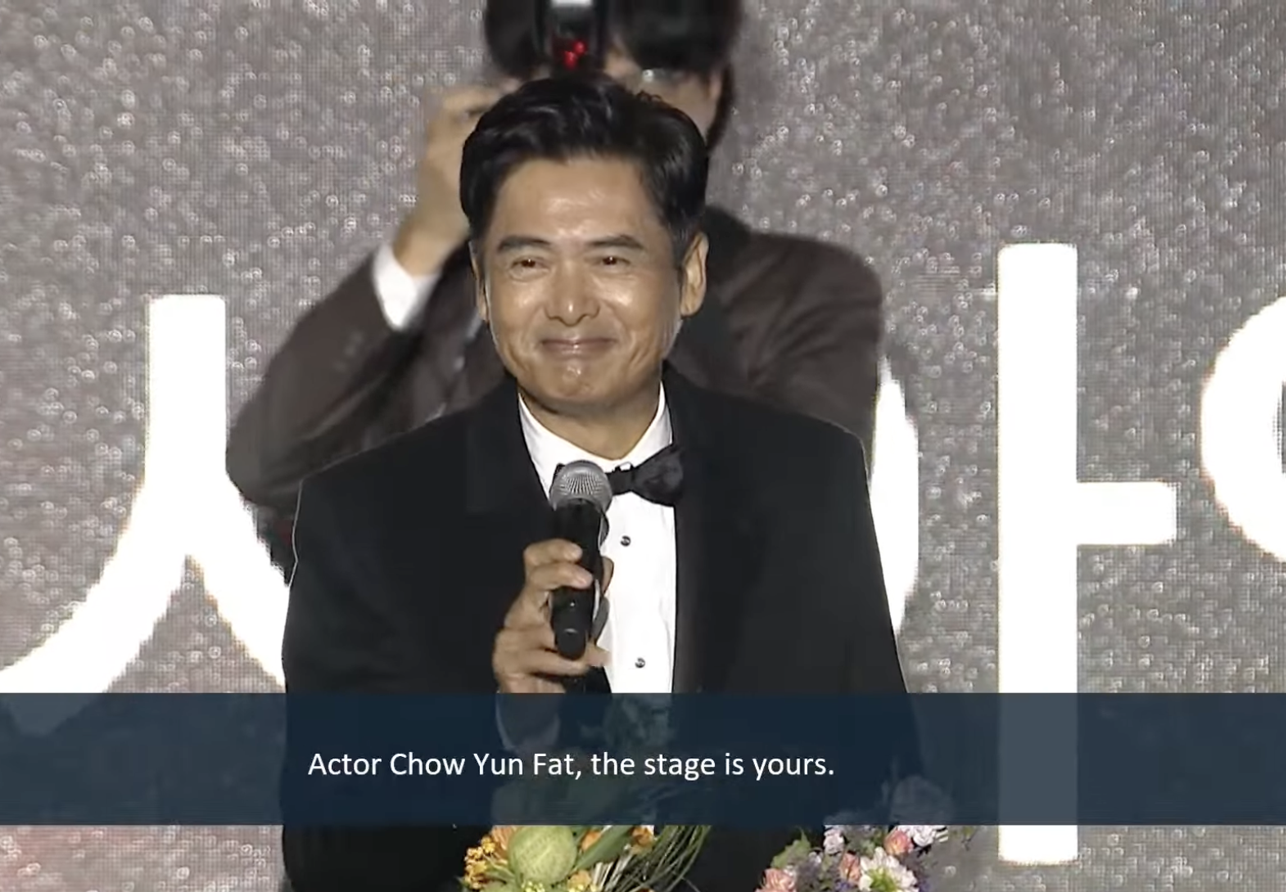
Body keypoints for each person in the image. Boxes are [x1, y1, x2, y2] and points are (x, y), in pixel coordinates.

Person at [279, 77, 906, 892]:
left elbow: (878, 794)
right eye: (529, 262)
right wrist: (500, 727)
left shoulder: (806, 480)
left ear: (689, 275)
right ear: (482, 284)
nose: (570, 305)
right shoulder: (368, 519)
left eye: (611, 259)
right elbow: (329, 862)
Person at [227, 0, 886, 577]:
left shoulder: (800, 289)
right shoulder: (460, 294)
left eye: (652, 76)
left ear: (713, 89)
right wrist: (428, 236)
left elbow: (801, 513)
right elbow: (270, 465)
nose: (613, 107)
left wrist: (655, 269)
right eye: (579, 79)